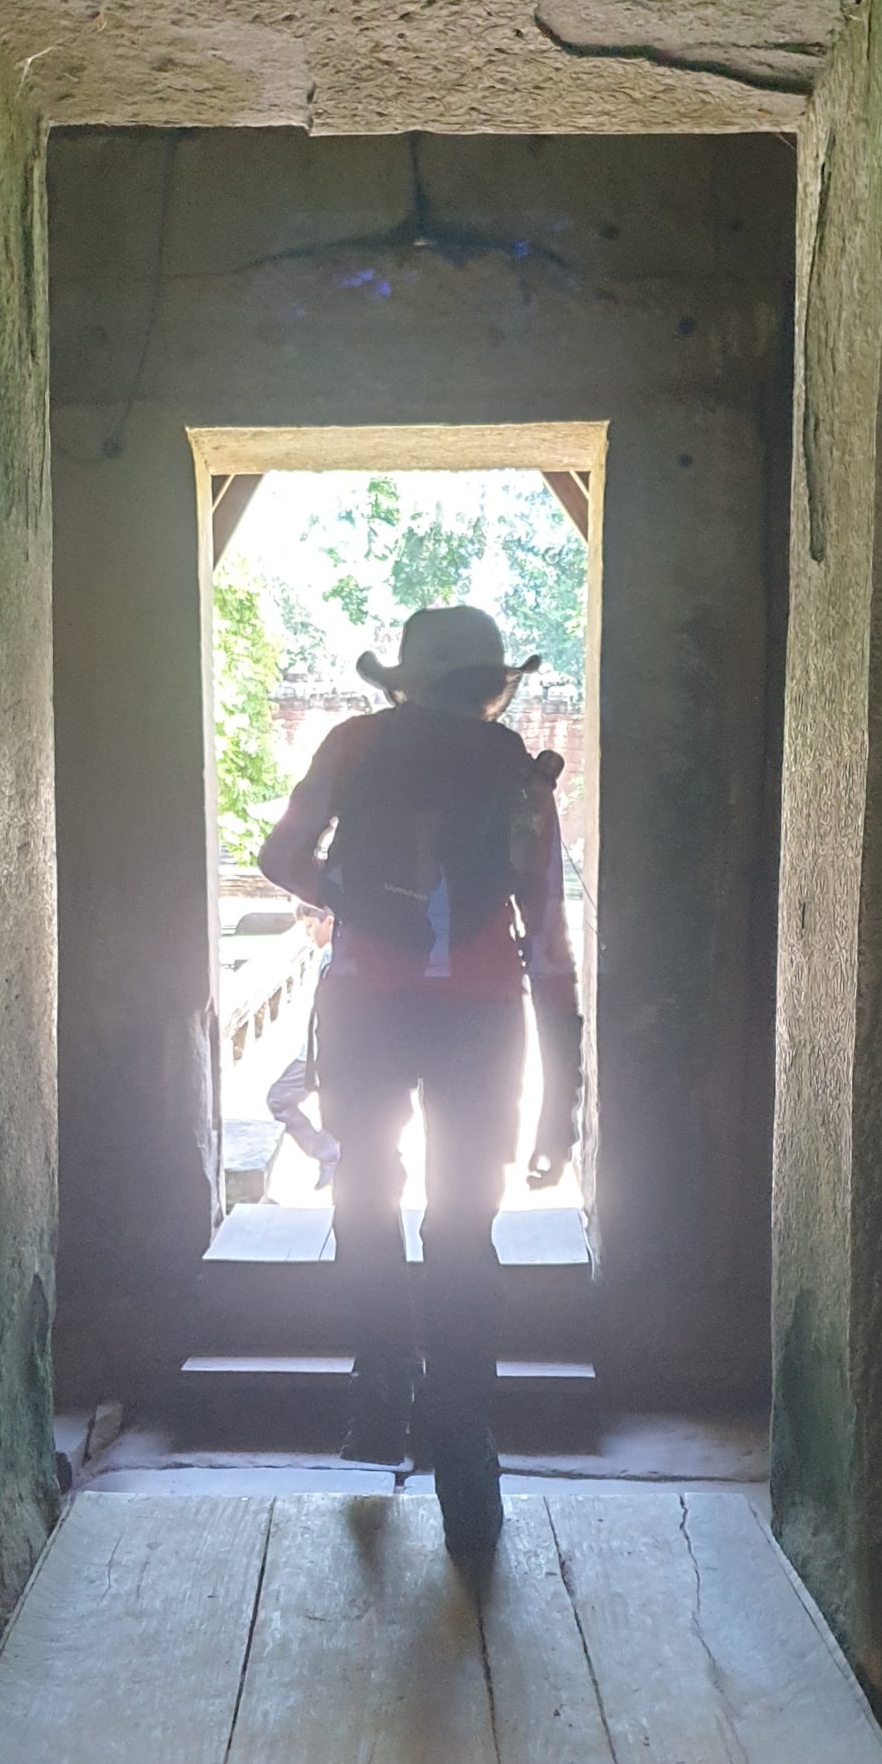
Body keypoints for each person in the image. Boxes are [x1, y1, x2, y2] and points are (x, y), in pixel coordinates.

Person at [258, 604, 582, 1568]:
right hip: (481, 1018)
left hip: (365, 1006)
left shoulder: (354, 746)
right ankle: (464, 1440)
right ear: (490, 686)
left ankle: (383, 1384)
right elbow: (549, 937)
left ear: (406, 682)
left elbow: (281, 856)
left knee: (364, 1195)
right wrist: (562, 1098)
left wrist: (354, 901)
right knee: (462, 1223)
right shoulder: (521, 775)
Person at [265, 908, 341, 1190]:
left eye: (310, 926)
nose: (308, 934)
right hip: (319, 1050)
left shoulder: (333, 957)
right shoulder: (329, 955)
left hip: (320, 1052)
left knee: (279, 1099)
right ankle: (329, 1153)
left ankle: (328, 1153)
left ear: (329, 922)